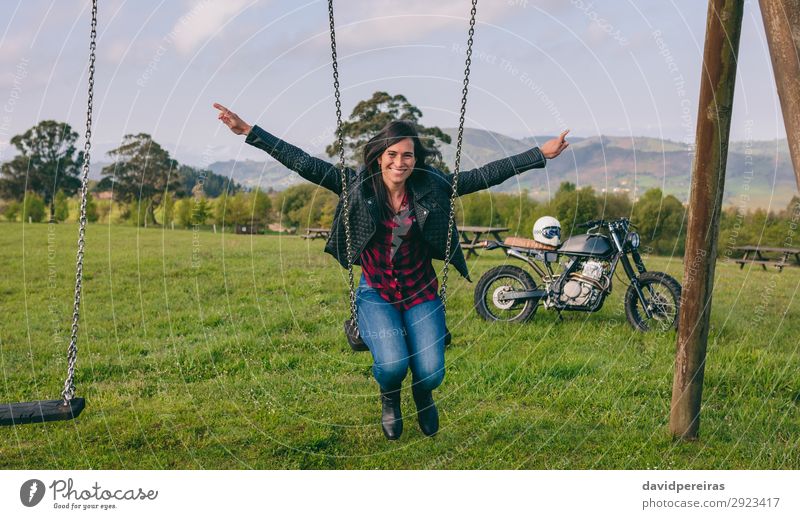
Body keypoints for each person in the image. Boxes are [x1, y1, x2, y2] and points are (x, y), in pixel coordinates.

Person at [214, 102, 569, 439]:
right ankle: (390, 397)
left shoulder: (432, 187)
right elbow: (303, 163)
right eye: (392, 155)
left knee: (430, 372)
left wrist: (540, 154)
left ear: (416, 160)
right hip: (376, 292)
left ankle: (423, 396)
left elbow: (485, 175)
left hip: (421, 292)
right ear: (380, 157)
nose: (400, 162)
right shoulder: (357, 186)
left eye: (407, 155)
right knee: (393, 366)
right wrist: (248, 130)